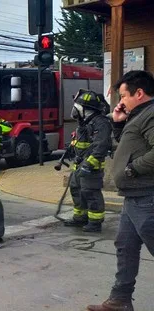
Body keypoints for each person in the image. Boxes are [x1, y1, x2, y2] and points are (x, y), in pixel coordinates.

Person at [87, 70, 154, 311]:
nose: (120, 101)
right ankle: (120, 300)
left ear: (139, 93)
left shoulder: (150, 114)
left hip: (148, 196)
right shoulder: (137, 116)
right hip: (133, 198)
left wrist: (132, 170)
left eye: (123, 95)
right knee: (125, 247)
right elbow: (128, 147)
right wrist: (117, 125)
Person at [63, 89, 112, 232]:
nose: (75, 110)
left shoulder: (101, 123)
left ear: (86, 109)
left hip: (91, 166)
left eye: (78, 107)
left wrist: (89, 164)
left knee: (91, 193)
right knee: (76, 190)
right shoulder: (84, 123)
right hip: (80, 164)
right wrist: (72, 147)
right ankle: (80, 217)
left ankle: (95, 222)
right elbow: (82, 143)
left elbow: (101, 146)